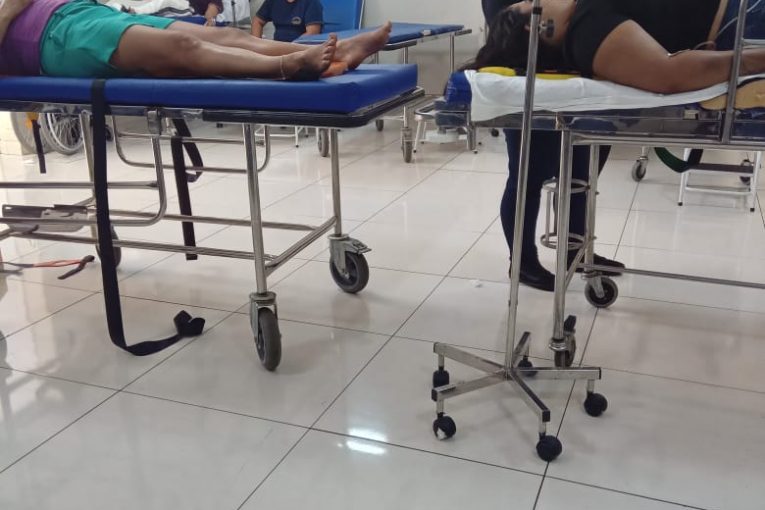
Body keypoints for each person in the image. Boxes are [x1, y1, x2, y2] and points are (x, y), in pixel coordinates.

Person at [480, 0, 621, 292]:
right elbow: (507, 24)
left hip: (577, 73)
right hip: (529, 76)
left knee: (580, 175)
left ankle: (574, 249)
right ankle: (523, 262)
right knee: (527, 178)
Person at [0, 0, 390, 80]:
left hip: (79, 12)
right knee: (182, 48)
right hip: (50, 38)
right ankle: (286, 67)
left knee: (225, 34)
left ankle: (342, 51)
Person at [472, 0, 765, 94]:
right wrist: (757, 59)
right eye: (529, 1)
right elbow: (668, 75)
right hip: (742, 18)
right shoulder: (586, 33)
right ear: (535, 25)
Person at [251, 0, 323, 42]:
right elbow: (257, 21)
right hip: (277, 48)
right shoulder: (273, 1)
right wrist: (257, 43)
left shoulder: (312, 2)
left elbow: (312, 33)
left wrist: (289, 48)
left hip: (300, 50)